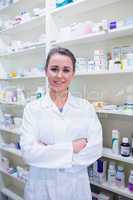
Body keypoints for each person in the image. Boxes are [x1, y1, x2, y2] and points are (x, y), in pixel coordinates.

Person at [20, 47, 103, 200]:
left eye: (66, 70)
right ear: (46, 71)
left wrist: (48, 151)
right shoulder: (32, 109)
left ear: (73, 74)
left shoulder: (85, 108)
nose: (59, 75)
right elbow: (29, 153)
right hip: (41, 187)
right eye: (54, 69)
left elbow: (95, 149)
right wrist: (72, 147)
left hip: (75, 187)